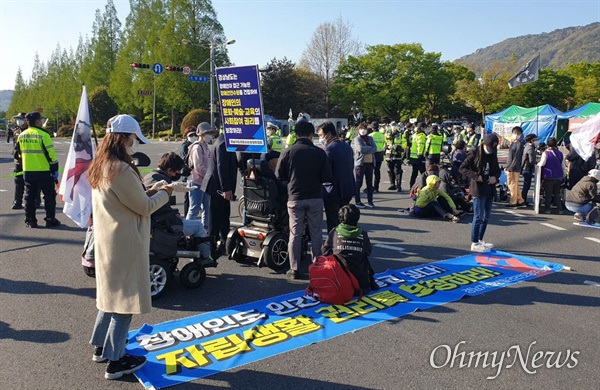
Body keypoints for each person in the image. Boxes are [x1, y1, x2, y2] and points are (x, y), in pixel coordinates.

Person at [86, 114, 174, 380]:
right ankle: (116, 361)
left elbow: (128, 199)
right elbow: (144, 207)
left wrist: (152, 189)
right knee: (124, 303)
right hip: (124, 242)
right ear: (123, 138)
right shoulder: (120, 169)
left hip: (107, 240)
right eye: (133, 137)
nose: (135, 142)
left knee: (109, 298)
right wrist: (166, 192)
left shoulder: (102, 165)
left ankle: (101, 347)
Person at [276, 119, 332, 280]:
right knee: (316, 233)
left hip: (295, 197)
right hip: (314, 196)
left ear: (296, 134)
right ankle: (317, 267)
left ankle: (294, 269)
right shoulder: (320, 152)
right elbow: (327, 176)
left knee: (295, 234)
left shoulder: (288, 151)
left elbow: (280, 175)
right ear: (311, 134)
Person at [143, 152, 214, 266]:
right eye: (177, 171)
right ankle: (206, 257)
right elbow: (158, 207)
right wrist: (174, 214)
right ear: (170, 170)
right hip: (162, 225)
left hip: (152, 223)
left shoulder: (149, 176)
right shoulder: (162, 181)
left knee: (187, 221)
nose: (179, 173)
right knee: (198, 226)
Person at [14, 112, 61, 228]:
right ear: (36, 121)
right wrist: (54, 169)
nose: (41, 122)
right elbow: (51, 154)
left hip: (28, 171)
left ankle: (30, 220)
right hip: (44, 171)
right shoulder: (43, 135)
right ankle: (50, 219)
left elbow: (17, 155)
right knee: (49, 196)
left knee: (29, 196)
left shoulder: (22, 135)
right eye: (40, 120)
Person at [321, 204, 377, 294]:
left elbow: (324, 251)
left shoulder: (334, 232)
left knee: (332, 256)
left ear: (340, 218)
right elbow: (368, 252)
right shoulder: (363, 233)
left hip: (339, 282)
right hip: (361, 284)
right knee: (363, 257)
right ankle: (371, 282)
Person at [460, 133, 501, 252]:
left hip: (489, 188)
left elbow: (497, 170)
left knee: (486, 217)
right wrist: (475, 176)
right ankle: (474, 242)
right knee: (478, 216)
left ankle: (480, 240)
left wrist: (495, 178)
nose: (491, 150)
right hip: (478, 188)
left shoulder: (493, 154)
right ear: (484, 144)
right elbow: (462, 168)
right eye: (489, 147)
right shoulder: (474, 152)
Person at [202, 131, 238, 255]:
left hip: (218, 187)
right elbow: (221, 167)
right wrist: (226, 189)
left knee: (223, 218)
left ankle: (224, 244)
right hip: (217, 187)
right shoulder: (223, 143)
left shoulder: (224, 140)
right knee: (215, 220)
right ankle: (211, 248)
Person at [317, 121, 355, 233]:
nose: (320, 138)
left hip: (333, 190)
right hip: (347, 187)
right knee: (344, 219)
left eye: (320, 135)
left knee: (333, 221)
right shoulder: (346, 146)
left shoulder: (329, 149)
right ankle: (344, 242)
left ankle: (333, 245)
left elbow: (326, 172)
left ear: (328, 134)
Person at [186, 122, 213, 230]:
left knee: (207, 208)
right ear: (201, 134)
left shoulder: (205, 146)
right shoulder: (197, 147)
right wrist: (209, 174)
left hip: (205, 183)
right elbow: (198, 167)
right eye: (208, 133)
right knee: (194, 209)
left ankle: (204, 229)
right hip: (196, 182)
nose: (210, 135)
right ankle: (187, 231)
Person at [537, 137, 565, 214]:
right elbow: (563, 166)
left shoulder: (546, 153)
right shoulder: (560, 153)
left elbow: (542, 163)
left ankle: (547, 209)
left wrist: (537, 164)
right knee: (557, 194)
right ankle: (560, 209)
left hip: (549, 175)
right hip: (558, 176)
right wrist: (564, 175)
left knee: (548, 194)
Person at [352, 123, 377, 208]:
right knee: (358, 183)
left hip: (370, 163)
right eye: (361, 128)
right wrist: (370, 149)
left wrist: (368, 149)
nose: (363, 130)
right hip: (360, 164)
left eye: (364, 128)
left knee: (369, 183)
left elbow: (375, 148)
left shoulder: (370, 138)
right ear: (359, 130)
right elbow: (360, 149)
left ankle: (370, 201)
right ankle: (358, 201)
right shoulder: (357, 139)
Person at [505, 126, 526, 207]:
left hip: (514, 167)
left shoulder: (519, 144)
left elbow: (517, 158)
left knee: (512, 184)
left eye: (518, 134)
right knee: (514, 184)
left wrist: (510, 168)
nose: (516, 135)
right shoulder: (513, 144)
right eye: (515, 133)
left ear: (521, 134)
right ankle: (520, 200)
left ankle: (513, 201)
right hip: (510, 166)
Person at [180, 126, 197, 216]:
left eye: (195, 134)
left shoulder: (197, 144)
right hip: (187, 175)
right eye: (191, 135)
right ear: (186, 136)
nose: (193, 136)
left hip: (196, 176)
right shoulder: (185, 146)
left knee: (195, 197)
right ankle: (187, 215)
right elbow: (184, 160)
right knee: (187, 197)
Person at [384, 123, 404, 192]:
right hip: (389, 154)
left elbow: (404, 145)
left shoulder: (401, 135)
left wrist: (396, 147)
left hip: (397, 155)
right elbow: (385, 143)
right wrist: (387, 147)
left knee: (398, 171)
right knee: (390, 170)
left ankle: (398, 186)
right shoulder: (387, 134)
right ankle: (392, 184)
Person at [409, 122, 427, 189]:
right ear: (422, 128)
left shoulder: (414, 135)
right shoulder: (422, 136)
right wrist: (420, 155)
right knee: (423, 173)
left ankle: (411, 186)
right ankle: (424, 186)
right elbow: (420, 146)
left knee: (414, 172)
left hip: (413, 156)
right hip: (419, 157)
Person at [521, 133, 538, 205]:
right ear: (532, 141)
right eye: (535, 140)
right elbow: (532, 161)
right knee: (527, 185)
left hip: (525, 168)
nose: (537, 141)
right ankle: (523, 199)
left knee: (526, 185)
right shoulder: (530, 148)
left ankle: (523, 199)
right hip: (527, 168)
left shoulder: (527, 147)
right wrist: (537, 162)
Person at [370, 121, 385, 193]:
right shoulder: (382, 135)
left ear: (372, 128)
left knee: (370, 171)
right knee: (377, 171)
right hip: (380, 154)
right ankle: (376, 187)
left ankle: (370, 187)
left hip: (372, 154)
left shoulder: (371, 135)